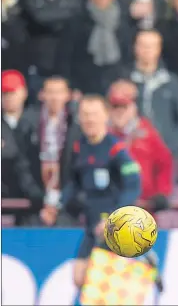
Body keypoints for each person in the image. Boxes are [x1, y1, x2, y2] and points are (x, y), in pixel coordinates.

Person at [38, 95, 145, 290]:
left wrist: (114, 218)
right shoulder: (80, 147)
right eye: (85, 114)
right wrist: (56, 205)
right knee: (79, 277)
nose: (89, 119)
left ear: (106, 116)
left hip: (115, 226)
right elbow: (73, 184)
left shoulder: (116, 149)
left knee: (107, 285)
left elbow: (133, 186)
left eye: (94, 114)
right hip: (92, 223)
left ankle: (143, 260)